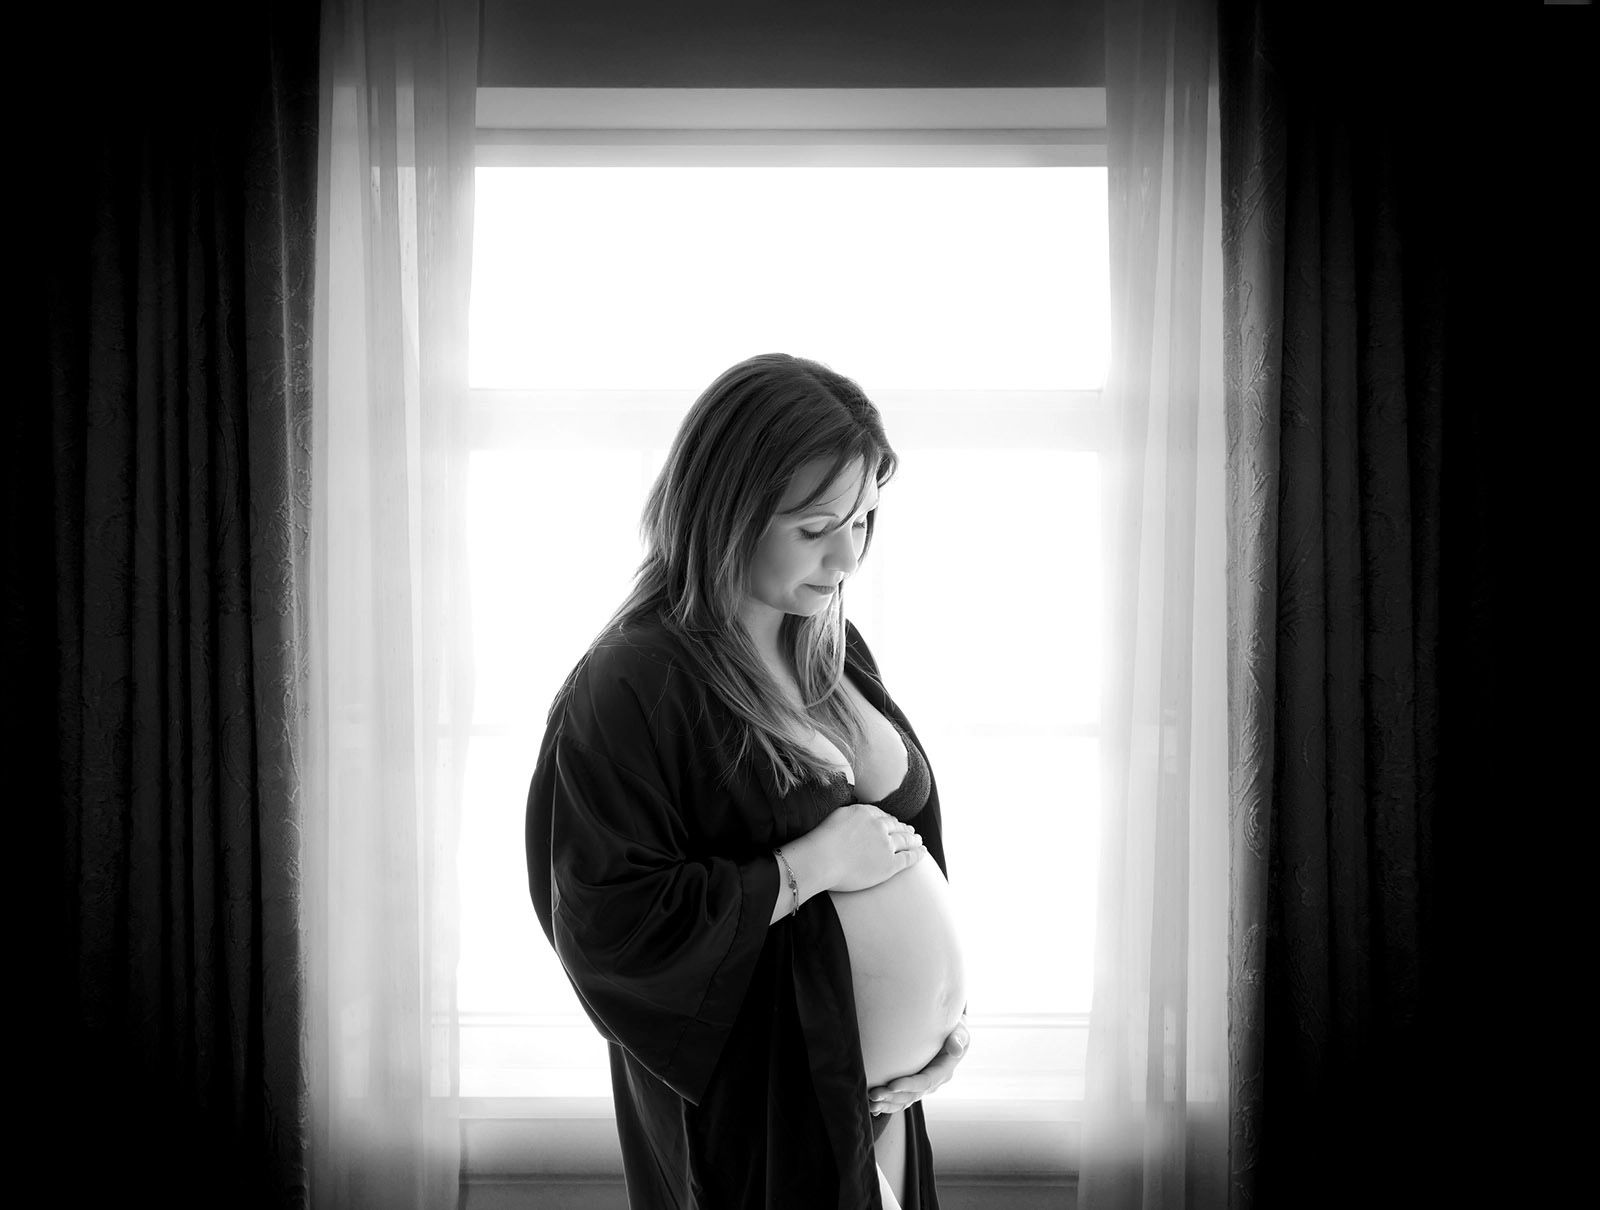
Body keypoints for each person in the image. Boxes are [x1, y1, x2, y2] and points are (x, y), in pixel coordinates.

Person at [525, 353, 971, 1208]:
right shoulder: (632, 684)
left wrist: (942, 1029)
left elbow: (907, 852)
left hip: (881, 1103)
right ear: (727, 511)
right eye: (816, 528)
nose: (847, 556)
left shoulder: (831, 645)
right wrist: (808, 867)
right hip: (764, 1111)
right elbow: (608, 924)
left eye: (864, 520)